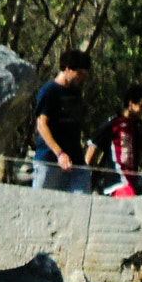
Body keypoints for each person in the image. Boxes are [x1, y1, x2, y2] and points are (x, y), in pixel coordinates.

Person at [31, 48, 93, 192]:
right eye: (79, 73)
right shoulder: (48, 91)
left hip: (76, 162)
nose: (81, 77)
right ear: (67, 69)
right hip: (49, 161)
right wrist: (59, 153)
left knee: (82, 201)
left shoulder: (76, 93)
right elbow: (41, 125)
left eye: (84, 74)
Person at [96, 84, 142, 197]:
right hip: (116, 184)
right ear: (131, 104)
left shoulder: (138, 126)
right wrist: (88, 179)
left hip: (133, 182)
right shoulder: (113, 123)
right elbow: (92, 150)